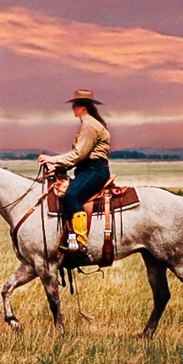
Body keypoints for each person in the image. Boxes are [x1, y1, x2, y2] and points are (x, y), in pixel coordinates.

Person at [38, 89, 111, 252]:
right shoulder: (90, 124)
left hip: (94, 169)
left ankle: (80, 243)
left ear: (83, 107)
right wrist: (56, 167)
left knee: (71, 195)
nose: (73, 108)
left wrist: (52, 159)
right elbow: (81, 157)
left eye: (75, 105)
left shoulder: (90, 126)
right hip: (88, 168)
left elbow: (79, 154)